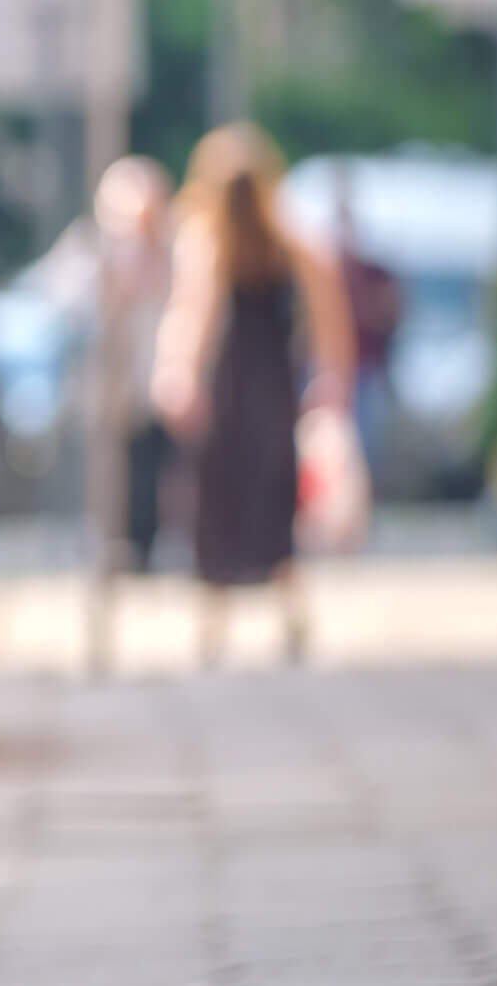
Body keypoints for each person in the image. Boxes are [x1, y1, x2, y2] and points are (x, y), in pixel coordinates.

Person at [153, 125, 357, 666]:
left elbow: (191, 316)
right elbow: (330, 318)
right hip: (267, 387)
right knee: (261, 500)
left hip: (237, 388)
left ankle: (218, 622)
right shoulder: (283, 241)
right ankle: (274, 615)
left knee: (230, 502)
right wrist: (331, 380)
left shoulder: (228, 240)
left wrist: (180, 375)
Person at [95, 156, 176, 572]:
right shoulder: (114, 258)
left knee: (169, 466)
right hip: (133, 379)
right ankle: (135, 546)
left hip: (168, 375)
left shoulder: (177, 251)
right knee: (135, 468)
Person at [332, 172, 403, 480]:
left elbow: (391, 311)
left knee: (365, 441)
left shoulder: (373, 271)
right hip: (336, 367)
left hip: (365, 366)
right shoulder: (329, 268)